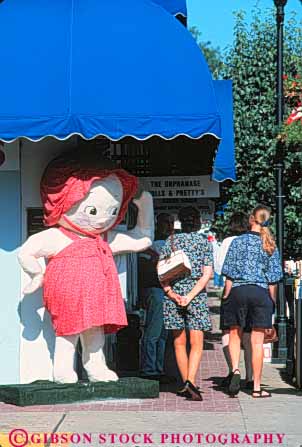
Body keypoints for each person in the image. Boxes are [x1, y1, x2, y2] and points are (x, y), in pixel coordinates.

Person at [221, 205, 283, 398]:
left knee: (234, 333)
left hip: (238, 290)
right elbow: (273, 279)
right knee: (257, 343)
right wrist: (271, 302)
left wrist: (225, 297)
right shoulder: (270, 244)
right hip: (260, 292)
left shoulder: (237, 242)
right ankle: (256, 387)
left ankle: (235, 370)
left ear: (251, 219)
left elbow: (229, 274)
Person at [159, 206, 213, 400]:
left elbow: (161, 272)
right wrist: (190, 296)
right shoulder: (204, 242)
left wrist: (172, 293)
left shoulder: (170, 241)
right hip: (196, 296)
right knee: (196, 343)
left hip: (173, 296)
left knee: (179, 342)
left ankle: (185, 383)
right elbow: (207, 274)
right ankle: (191, 381)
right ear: (198, 221)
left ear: (180, 221)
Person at [216, 212, 253, 389]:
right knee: (248, 335)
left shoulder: (227, 242)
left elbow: (219, 267)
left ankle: (233, 370)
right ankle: (251, 376)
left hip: (231, 291)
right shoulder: (255, 241)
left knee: (228, 332)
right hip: (253, 290)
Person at [139, 213, 175, 383]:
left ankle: (158, 368)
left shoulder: (171, 243)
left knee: (162, 335)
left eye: (170, 223)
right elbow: (144, 268)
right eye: (165, 222)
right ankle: (149, 368)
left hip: (168, 292)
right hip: (155, 290)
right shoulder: (150, 244)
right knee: (153, 333)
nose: (169, 226)